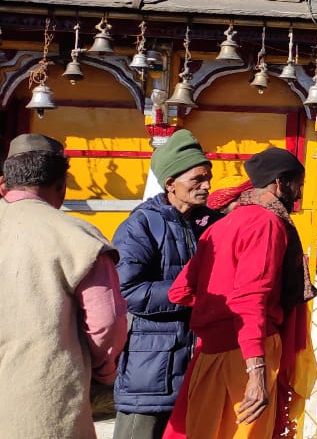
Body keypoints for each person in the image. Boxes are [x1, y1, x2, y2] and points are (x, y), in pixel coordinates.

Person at [165, 147, 316, 439]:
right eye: (298, 184)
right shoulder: (268, 223)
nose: (298, 194)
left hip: (210, 356)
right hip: (246, 357)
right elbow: (250, 299)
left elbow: (180, 290)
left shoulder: (221, 226)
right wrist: (256, 371)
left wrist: (216, 310)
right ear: (280, 182)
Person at [0, 133, 127, 438]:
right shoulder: (78, 237)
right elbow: (106, 324)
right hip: (42, 405)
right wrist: (105, 371)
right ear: (61, 188)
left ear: (3, 185)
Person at [113, 130, 221, 438]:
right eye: (197, 179)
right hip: (151, 367)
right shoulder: (141, 224)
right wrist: (193, 294)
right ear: (171, 182)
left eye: (208, 178)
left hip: (199, 361)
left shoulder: (211, 224)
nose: (207, 186)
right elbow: (128, 291)